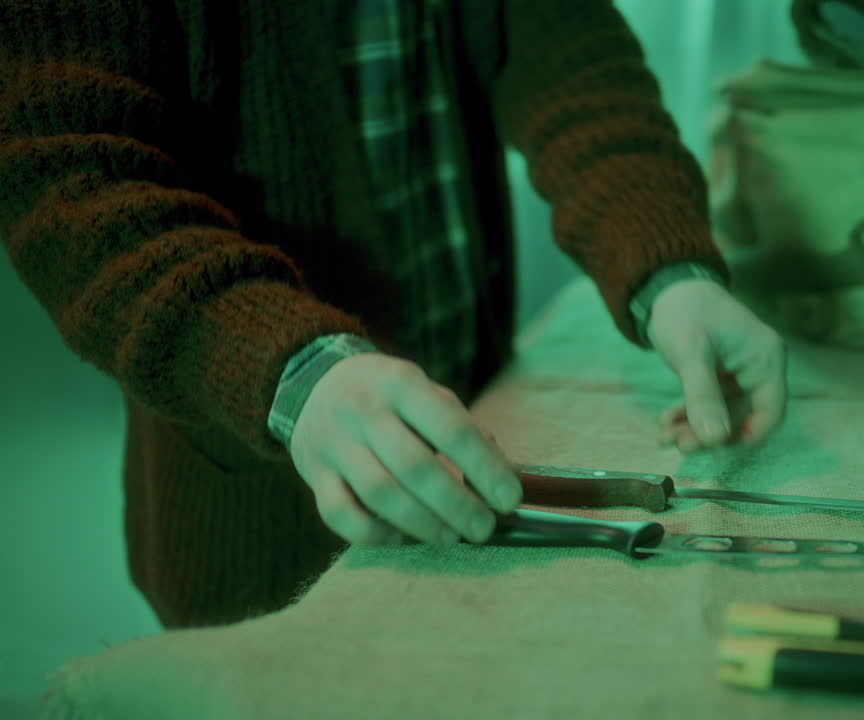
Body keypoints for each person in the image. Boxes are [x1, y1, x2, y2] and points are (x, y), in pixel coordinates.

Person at [0, 0, 788, 629]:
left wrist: (668, 271)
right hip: (255, 525)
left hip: (484, 444)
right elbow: (69, 174)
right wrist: (292, 372)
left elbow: (568, 56)